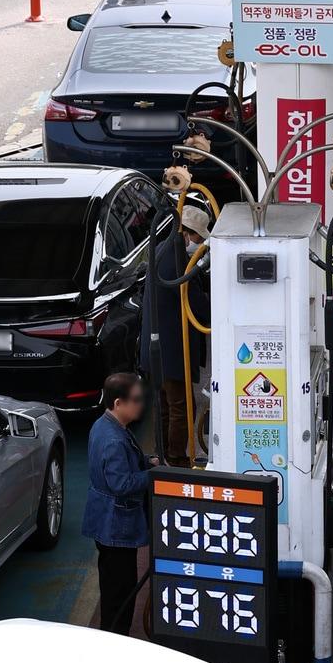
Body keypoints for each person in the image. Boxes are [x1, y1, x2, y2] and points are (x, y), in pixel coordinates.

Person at [81, 372, 158, 635]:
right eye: (135, 400)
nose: (140, 405)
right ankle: (116, 638)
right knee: (121, 592)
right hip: (116, 528)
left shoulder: (103, 426)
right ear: (118, 403)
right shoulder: (115, 439)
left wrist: (145, 462)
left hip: (105, 523)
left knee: (114, 587)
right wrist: (152, 474)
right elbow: (121, 484)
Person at [140, 205, 212, 466]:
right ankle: (177, 459)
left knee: (165, 405)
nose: (200, 244)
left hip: (157, 348)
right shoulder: (178, 261)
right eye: (199, 239)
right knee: (181, 406)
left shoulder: (163, 250)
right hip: (172, 349)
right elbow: (199, 306)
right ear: (187, 233)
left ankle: (163, 453)